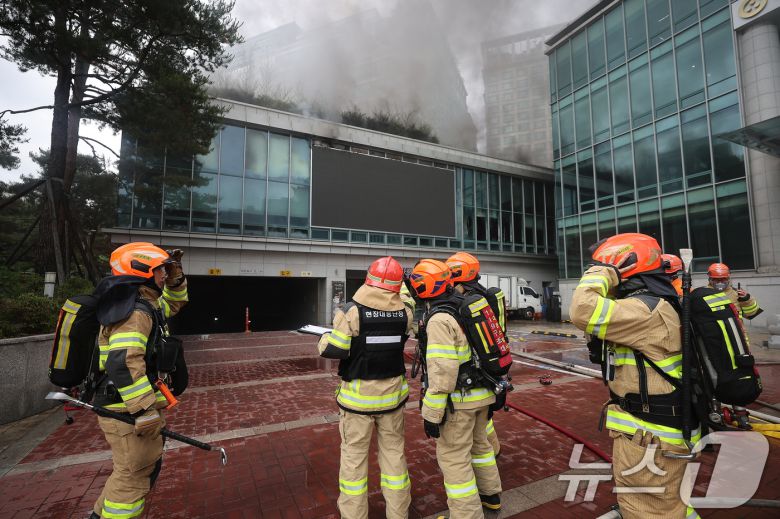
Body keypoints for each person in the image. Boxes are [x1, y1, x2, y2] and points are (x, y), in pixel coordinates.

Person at [570, 233, 699, 519]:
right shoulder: (659, 303)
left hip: (650, 436)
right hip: (661, 430)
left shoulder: (644, 310)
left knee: (647, 509)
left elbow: (582, 310)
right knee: (673, 504)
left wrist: (601, 271)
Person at [90, 243, 188, 519]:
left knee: (131, 472)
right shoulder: (134, 313)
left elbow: (176, 303)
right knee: (133, 478)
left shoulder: (146, 304)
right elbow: (123, 362)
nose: (163, 276)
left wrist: (176, 273)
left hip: (125, 408)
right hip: (126, 410)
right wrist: (144, 410)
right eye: (160, 270)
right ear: (142, 271)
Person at [318, 256, 413, 519]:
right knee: (394, 457)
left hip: (357, 403)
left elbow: (334, 349)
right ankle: (398, 513)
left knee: (353, 462)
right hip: (392, 400)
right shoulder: (405, 313)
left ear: (368, 279)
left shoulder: (352, 311)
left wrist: (324, 338)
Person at [409, 259, 502, 518]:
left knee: (454, 458)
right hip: (483, 393)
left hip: (459, 401)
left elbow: (442, 373)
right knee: (480, 446)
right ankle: (491, 496)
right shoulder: (466, 304)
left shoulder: (439, 318)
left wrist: (432, 414)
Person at [444, 252, 502, 457]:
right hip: (490, 367)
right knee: (484, 418)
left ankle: (490, 451)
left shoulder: (465, 301)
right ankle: (492, 451)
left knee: (479, 423)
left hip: (474, 371)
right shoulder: (485, 295)